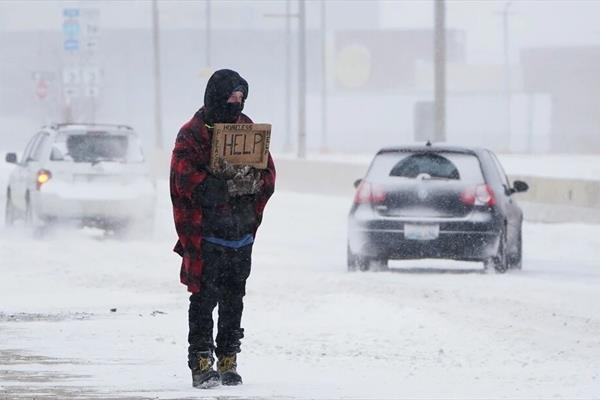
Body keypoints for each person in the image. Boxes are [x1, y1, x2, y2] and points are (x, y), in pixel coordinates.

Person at [170, 69, 276, 388]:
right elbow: (182, 178)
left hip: (239, 234)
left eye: (241, 99)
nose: (236, 105)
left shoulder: (246, 130)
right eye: (231, 99)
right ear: (216, 97)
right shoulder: (191, 134)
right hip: (206, 234)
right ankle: (202, 360)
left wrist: (252, 183)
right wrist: (213, 187)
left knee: (234, 298)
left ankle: (229, 358)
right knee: (204, 298)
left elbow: (268, 173)